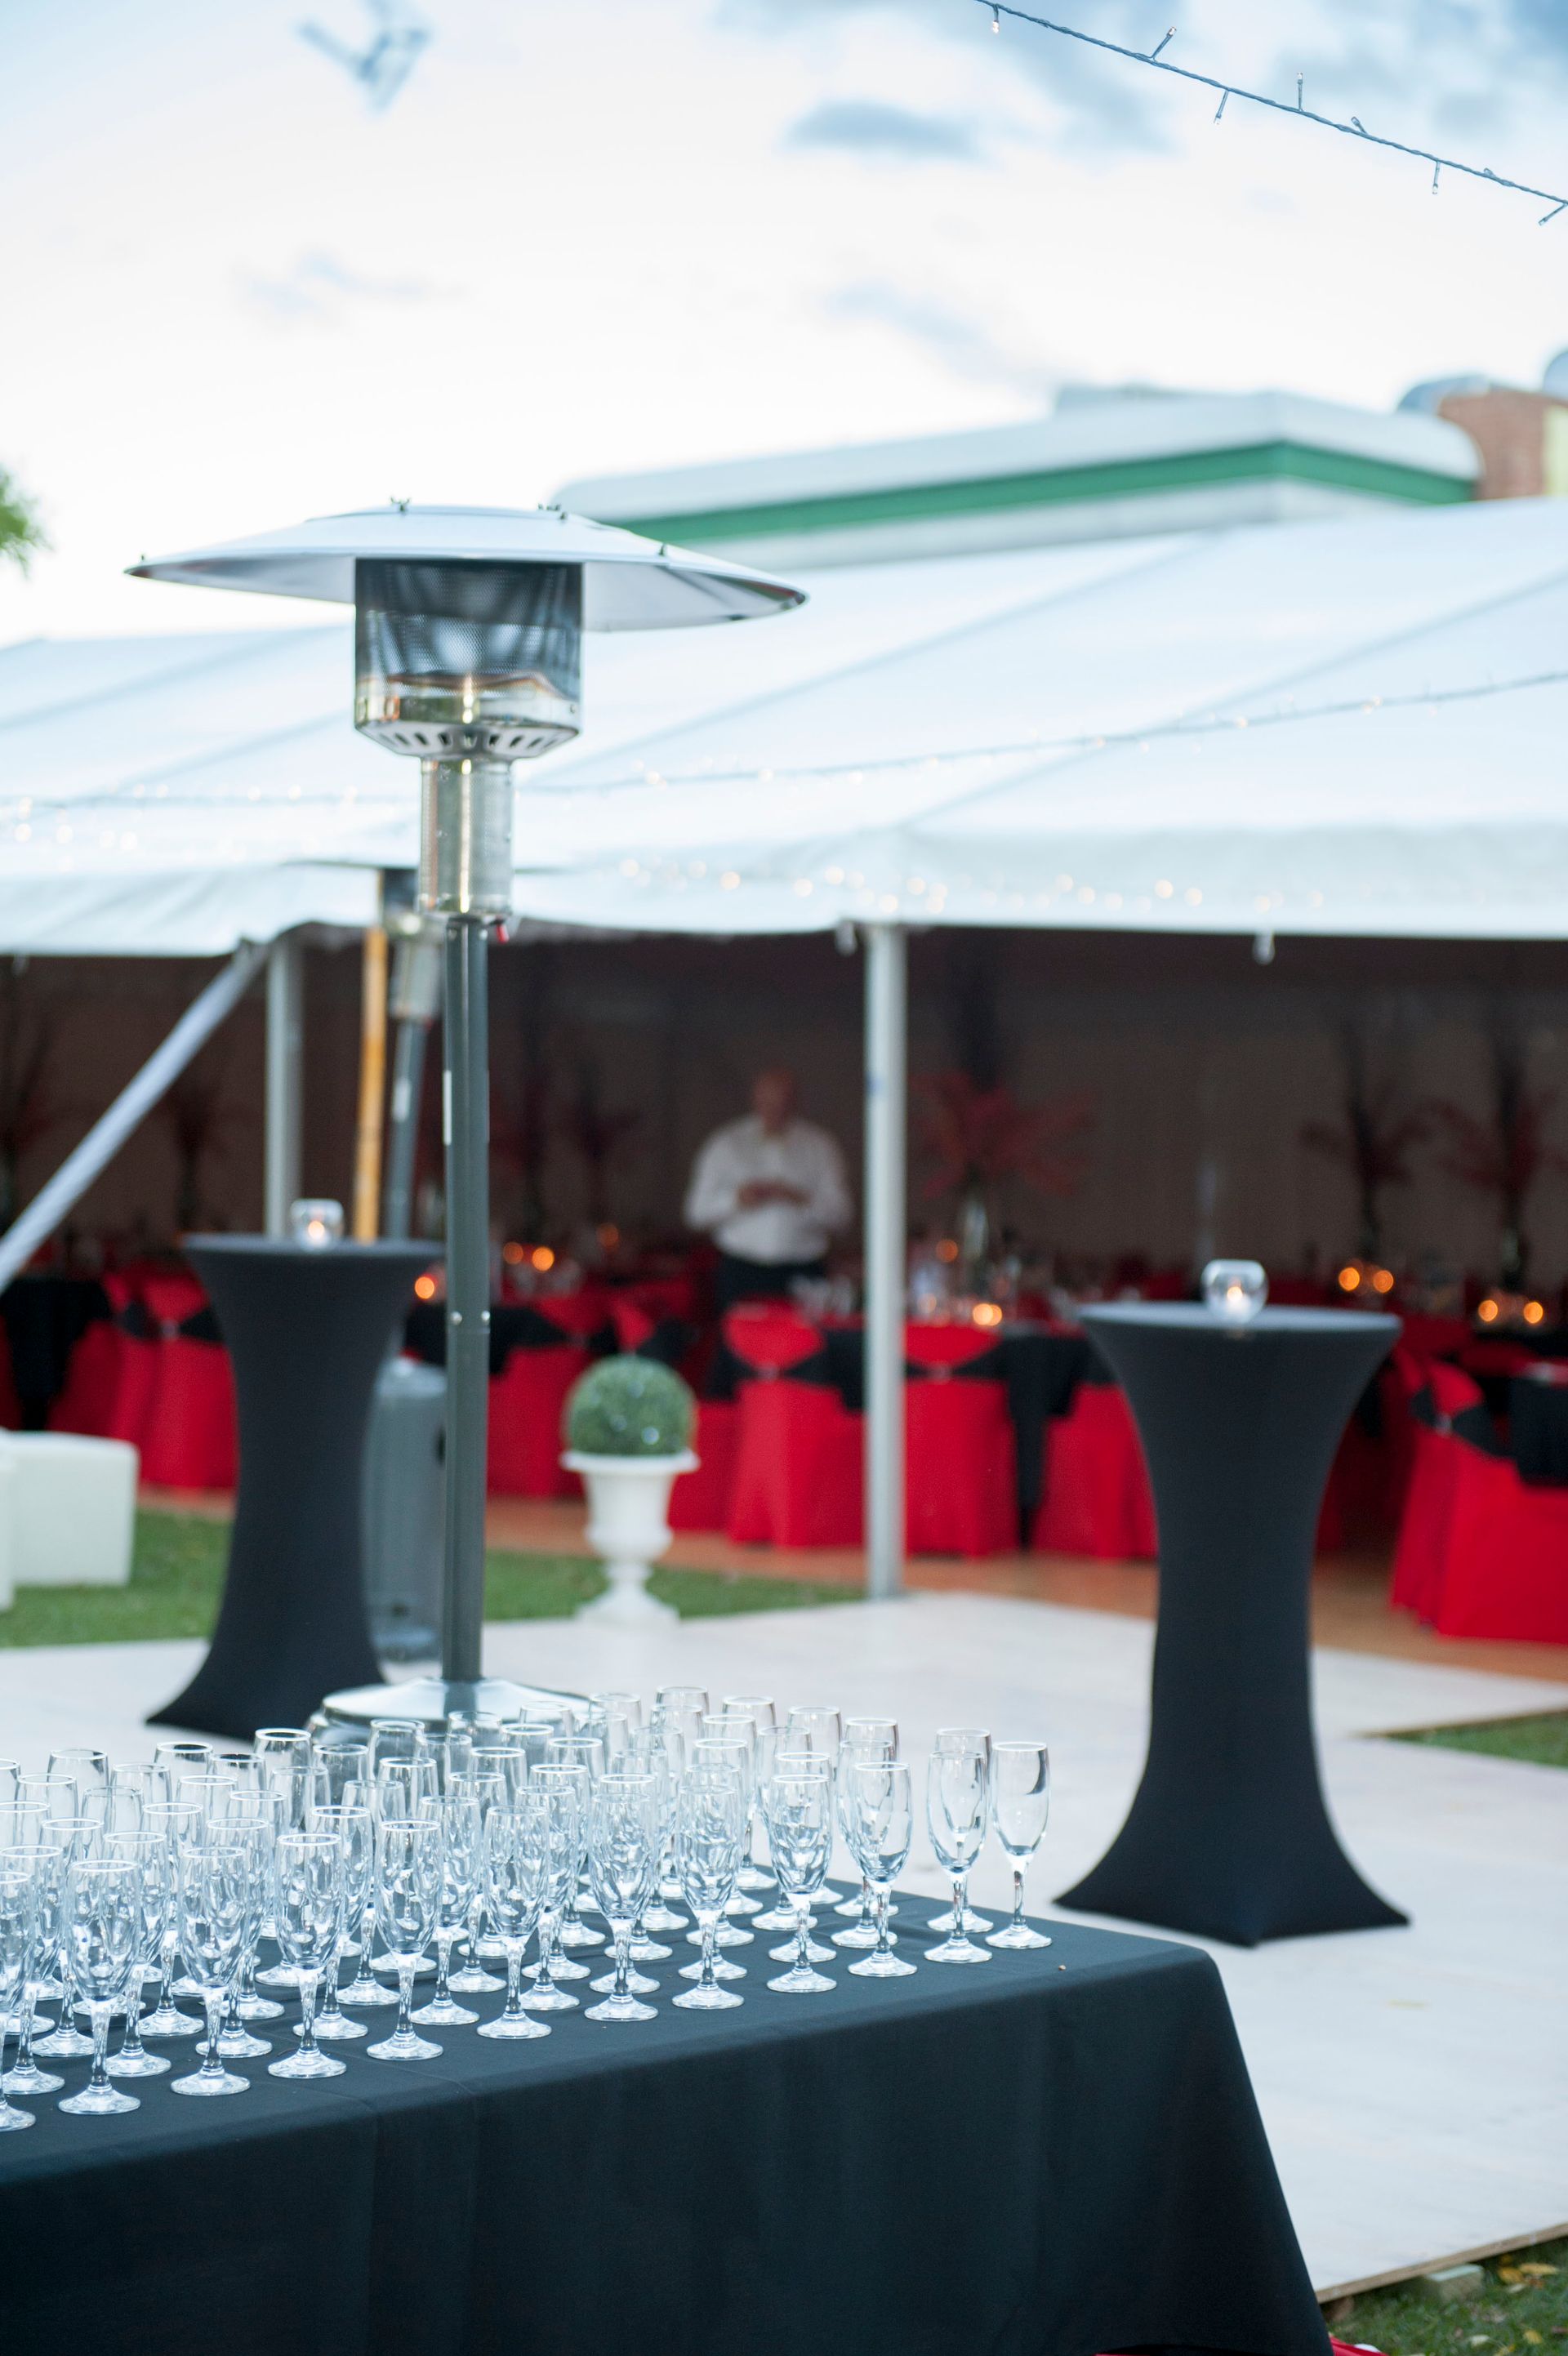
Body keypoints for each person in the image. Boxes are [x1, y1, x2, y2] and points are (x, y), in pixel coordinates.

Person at [684, 1068, 853, 1310]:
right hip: (743, 1270)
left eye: (782, 1103)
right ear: (755, 1099)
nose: (775, 1110)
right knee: (741, 1343)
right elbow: (696, 1213)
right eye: (768, 1102)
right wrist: (737, 1200)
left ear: (794, 1101)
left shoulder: (820, 1146)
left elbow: (842, 1218)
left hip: (803, 1269)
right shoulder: (726, 1144)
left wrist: (800, 1199)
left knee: (805, 1345)